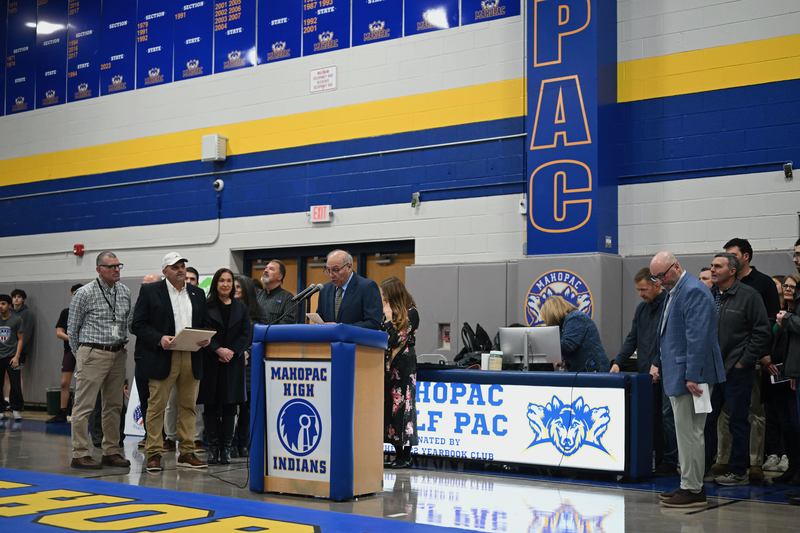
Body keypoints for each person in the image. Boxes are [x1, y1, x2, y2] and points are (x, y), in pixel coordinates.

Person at [649, 251, 725, 508]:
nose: (660, 281)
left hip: (691, 376)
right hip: (681, 374)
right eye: (656, 277)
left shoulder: (692, 291)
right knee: (686, 432)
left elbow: (698, 338)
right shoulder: (676, 292)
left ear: (676, 266)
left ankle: (693, 488)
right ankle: (688, 484)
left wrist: (693, 375)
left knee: (691, 432)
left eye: (662, 275)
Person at [132, 252, 209, 472]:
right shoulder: (150, 291)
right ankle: (154, 452)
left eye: (183, 265)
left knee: (188, 406)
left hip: (191, 354)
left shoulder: (197, 293)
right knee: (156, 407)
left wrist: (203, 337)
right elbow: (137, 325)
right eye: (175, 267)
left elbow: (202, 322)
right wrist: (159, 338)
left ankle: (186, 452)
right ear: (165, 271)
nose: (181, 270)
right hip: (163, 355)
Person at [706, 253, 771, 486]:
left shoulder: (749, 296)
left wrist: (744, 360)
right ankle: (706, 467)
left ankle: (738, 470)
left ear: (732, 270)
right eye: (712, 266)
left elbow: (762, 331)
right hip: (713, 369)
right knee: (708, 419)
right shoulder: (711, 295)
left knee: (738, 421)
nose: (713, 270)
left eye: (718, 266)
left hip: (737, 369)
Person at [719, 238, 780, 482]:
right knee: (727, 413)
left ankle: (755, 462)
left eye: (732, 254)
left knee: (754, 411)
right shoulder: (722, 287)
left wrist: (759, 355)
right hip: (725, 362)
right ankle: (726, 459)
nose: (727, 258)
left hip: (751, 359)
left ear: (745, 257)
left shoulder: (762, 284)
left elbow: (769, 322)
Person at [67, 251, 132, 470]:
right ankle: (80, 453)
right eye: (111, 266)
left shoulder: (124, 292)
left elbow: (126, 323)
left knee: (113, 405)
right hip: (93, 352)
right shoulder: (84, 293)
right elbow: (72, 329)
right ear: (99, 269)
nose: (116, 270)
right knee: (84, 406)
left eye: (119, 266)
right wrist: (82, 356)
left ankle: (111, 451)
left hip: (118, 352)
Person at [610, 268, 676, 474]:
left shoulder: (669, 305)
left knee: (667, 416)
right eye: (638, 290)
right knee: (652, 416)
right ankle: (656, 456)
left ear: (657, 285)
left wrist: (658, 363)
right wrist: (618, 362)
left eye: (644, 289)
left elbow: (668, 340)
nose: (641, 294)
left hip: (665, 370)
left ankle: (671, 460)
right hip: (645, 372)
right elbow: (633, 338)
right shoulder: (642, 309)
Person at [198, 268, 251, 465]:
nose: (226, 284)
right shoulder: (206, 305)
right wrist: (218, 350)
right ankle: (213, 448)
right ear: (216, 284)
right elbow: (202, 331)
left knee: (230, 406)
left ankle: (226, 449)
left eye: (229, 281)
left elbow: (246, 334)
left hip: (233, 363)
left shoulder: (241, 307)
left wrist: (232, 352)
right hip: (212, 361)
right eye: (222, 281)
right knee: (211, 405)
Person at [380, 277, 419, 469]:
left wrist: (387, 320)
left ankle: (405, 456)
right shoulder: (387, 314)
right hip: (387, 367)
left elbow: (396, 340)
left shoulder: (411, 313)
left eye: (385, 295)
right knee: (390, 409)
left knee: (403, 408)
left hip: (403, 367)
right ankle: (396, 453)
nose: (383, 299)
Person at [232, 275, 264, 458]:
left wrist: (248, 352)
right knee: (228, 408)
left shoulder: (258, 313)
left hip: (250, 366)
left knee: (245, 408)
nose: (234, 290)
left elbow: (261, 339)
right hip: (229, 361)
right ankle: (227, 443)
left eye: (238, 287)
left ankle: (243, 443)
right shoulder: (226, 310)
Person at [539, 296, 610, 372]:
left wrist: (544, 345)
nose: (546, 322)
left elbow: (568, 345)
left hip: (593, 370)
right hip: (585, 370)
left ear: (552, 314)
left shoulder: (575, 318)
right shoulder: (565, 323)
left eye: (546, 318)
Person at [316, 250, 382, 329]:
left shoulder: (367, 287)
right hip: (329, 340)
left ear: (349, 267)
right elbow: (321, 318)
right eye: (328, 270)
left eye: (336, 270)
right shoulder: (325, 290)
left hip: (356, 340)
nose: (331, 275)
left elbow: (373, 323)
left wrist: (341, 328)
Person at [132, 273, 161, 449]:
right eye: (143, 285)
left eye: (149, 285)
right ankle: (149, 434)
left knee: (161, 401)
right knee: (145, 398)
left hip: (164, 355)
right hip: (143, 355)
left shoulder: (165, 303)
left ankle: (163, 436)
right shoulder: (139, 303)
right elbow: (133, 325)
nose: (145, 288)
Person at [48, 283, 83, 424]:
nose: (76, 296)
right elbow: (59, 332)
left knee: (83, 382)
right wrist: (72, 338)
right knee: (64, 382)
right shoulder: (66, 312)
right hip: (70, 350)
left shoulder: (87, 312)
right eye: (74, 293)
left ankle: (78, 412)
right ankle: (62, 411)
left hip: (84, 350)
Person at [0, 294, 24, 430]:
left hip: (11, 356)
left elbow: (20, 339)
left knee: (15, 384)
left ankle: (16, 408)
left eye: (3, 303)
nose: (0, 306)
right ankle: (1, 409)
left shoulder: (17, 319)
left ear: (9, 305)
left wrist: (17, 356)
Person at [256, 260, 296, 324]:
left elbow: (287, 322)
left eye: (271, 269)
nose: (265, 271)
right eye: (266, 268)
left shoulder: (288, 298)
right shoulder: (257, 295)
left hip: (275, 333)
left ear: (280, 277)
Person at [11, 289, 35, 369]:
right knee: (6, 375)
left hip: (20, 349)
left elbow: (27, 333)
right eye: (14, 297)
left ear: (23, 299)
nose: (16, 299)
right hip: (6, 348)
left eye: (19, 297)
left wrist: (18, 349)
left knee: (17, 373)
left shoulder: (28, 313)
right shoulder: (8, 312)